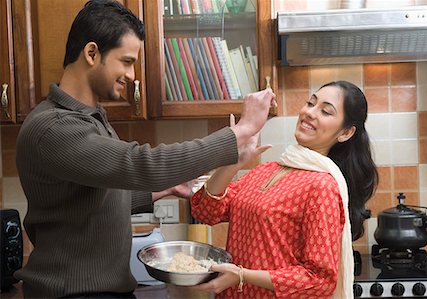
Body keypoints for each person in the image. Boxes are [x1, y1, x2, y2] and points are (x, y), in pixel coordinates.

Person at [14, 0, 275, 298]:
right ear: (91, 53)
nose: (132, 75)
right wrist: (241, 131)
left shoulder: (91, 118)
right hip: (74, 293)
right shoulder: (55, 127)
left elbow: (93, 199)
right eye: (126, 61)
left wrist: (166, 188)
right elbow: (139, 164)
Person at [190, 80, 378, 298]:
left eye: (326, 111)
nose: (310, 113)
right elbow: (206, 210)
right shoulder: (268, 169)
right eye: (310, 103)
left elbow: (319, 280)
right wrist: (232, 162)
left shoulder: (322, 186)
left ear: (345, 133)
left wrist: (243, 275)